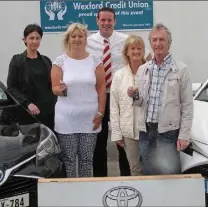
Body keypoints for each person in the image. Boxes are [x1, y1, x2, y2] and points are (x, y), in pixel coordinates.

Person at [86, 7, 151, 177]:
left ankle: (126, 178)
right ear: (97, 21)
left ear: (115, 21)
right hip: (97, 97)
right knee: (99, 142)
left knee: (122, 141)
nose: (106, 23)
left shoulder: (125, 40)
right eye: (103, 20)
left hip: (122, 96)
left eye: (109, 20)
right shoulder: (88, 42)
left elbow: (144, 56)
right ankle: (100, 179)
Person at [129, 23, 194, 175]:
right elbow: (140, 102)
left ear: (169, 43)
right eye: (154, 40)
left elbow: (187, 106)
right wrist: (135, 95)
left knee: (169, 174)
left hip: (168, 133)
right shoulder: (143, 69)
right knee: (149, 174)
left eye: (161, 40)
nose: (158, 44)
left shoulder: (181, 69)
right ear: (150, 43)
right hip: (146, 131)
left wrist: (184, 135)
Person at [51, 23, 106, 178]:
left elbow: (101, 89)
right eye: (73, 36)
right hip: (66, 119)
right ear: (68, 39)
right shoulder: (60, 61)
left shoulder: (95, 61)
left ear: (85, 39)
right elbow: (54, 87)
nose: (77, 39)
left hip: (91, 119)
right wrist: (60, 90)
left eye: (80, 36)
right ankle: (71, 195)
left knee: (87, 160)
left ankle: (86, 195)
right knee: (69, 160)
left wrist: (101, 112)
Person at [109, 35, 147, 176]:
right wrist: (117, 133)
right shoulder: (119, 75)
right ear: (127, 52)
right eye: (132, 48)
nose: (136, 51)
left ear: (143, 51)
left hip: (148, 131)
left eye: (139, 48)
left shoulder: (150, 71)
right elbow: (114, 106)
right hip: (128, 132)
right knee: (135, 168)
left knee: (150, 167)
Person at [6, 24, 56, 130]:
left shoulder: (46, 61)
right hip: (28, 113)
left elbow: (52, 84)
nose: (35, 41)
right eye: (31, 38)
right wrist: (28, 103)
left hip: (48, 113)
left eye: (37, 38)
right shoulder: (17, 61)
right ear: (25, 40)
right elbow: (12, 87)